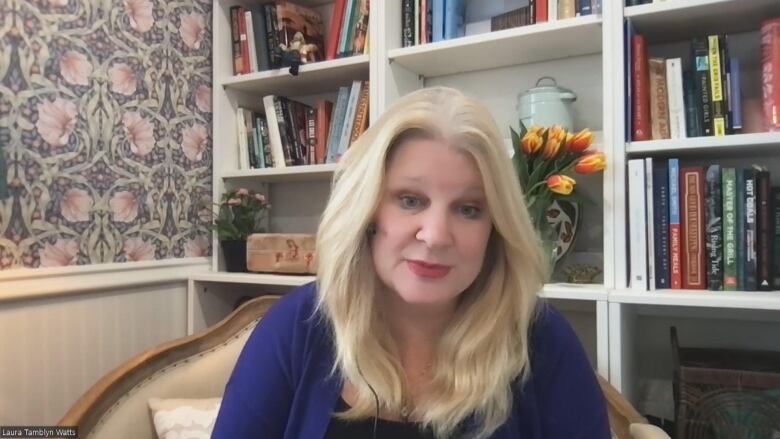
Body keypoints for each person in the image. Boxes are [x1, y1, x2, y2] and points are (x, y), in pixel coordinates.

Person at [212, 87, 610, 438]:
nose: (435, 235)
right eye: (410, 200)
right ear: (367, 212)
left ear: (497, 228)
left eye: (469, 209)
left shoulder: (541, 339)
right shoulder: (297, 327)